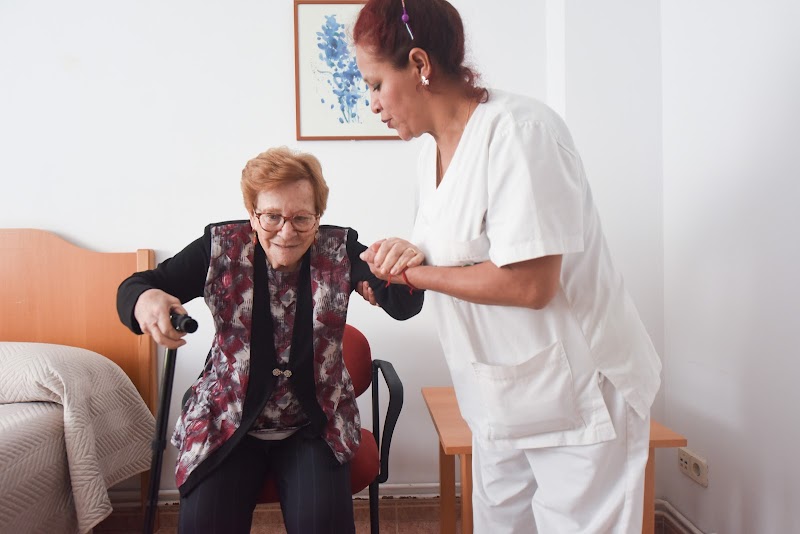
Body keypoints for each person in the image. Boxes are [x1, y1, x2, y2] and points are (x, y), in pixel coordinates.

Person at [352, 1, 662, 532]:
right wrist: (407, 254)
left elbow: (530, 284)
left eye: (377, 84)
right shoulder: (430, 155)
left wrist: (414, 275)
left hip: (579, 396)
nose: (373, 103)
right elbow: (459, 251)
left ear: (420, 64)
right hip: (498, 396)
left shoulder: (520, 131)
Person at [116, 146, 423, 534]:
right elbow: (138, 285)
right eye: (272, 216)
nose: (287, 231)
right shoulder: (220, 247)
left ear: (318, 216)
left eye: (301, 218)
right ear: (252, 214)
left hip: (313, 426)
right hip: (225, 420)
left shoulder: (339, 249)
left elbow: (401, 302)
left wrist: (404, 263)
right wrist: (145, 299)